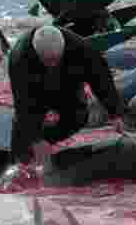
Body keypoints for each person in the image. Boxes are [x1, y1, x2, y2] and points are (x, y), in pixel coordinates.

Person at [8, 24, 125, 169]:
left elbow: (102, 79)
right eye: (47, 61)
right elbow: (23, 104)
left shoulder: (81, 49)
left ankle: (44, 143)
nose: (52, 64)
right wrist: (34, 138)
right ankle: (17, 162)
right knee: (23, 129)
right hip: (35, 90)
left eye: (55, 60)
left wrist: (115, 113)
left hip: (67, 82)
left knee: (78, 117)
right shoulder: (19, 57)